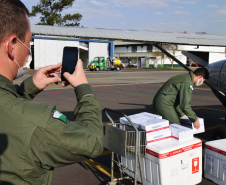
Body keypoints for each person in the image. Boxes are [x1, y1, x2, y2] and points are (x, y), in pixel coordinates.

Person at [0, 0, 103, 185]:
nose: (29, 50)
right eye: (28, 42)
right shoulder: (37, 121)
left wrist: (29, 86)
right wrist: (84, 90)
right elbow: (93, 141)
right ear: (12, 45)